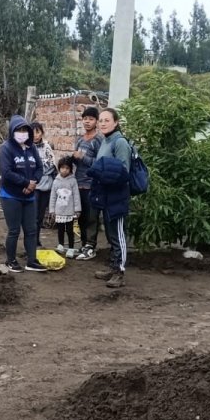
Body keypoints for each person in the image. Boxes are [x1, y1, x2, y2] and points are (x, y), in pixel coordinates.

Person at [87, 107, 132, 288]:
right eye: (101, 120)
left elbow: (123, 171)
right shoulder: (105, 141)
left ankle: (119, 272)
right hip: (105, 195)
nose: (103, 123)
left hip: (117, 196)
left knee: (118, 234)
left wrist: (103, 174)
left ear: (116, 122)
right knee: (111, 234)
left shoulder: (120, 142)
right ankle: (112, 268)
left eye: (107, 120)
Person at [0, 115, 48, 273]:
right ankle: (10, 261)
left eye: (25, 129)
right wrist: (26, 183)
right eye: (19, 130)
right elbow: (6, 172)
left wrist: (33, 183)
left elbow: (39, 167)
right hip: (11, 195)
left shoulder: (31, 147)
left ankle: (31, 261)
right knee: (14, 230)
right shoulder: (5, 149)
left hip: (29, 195)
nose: (22, 132)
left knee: (31, 230)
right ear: (12, 131)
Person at [72, 106, 104, 260]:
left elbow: (100, 163)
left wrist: (82, 157)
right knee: (81, 216)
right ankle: (84, 245)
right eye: (85, 119)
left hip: (92, 185)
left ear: (96, 122)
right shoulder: (79, 139)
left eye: (91, 119)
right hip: (79, 184)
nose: (87, 122)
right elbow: (77, 162)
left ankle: (91, 247)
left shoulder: (98, 140)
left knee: (92, 217)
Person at [31, 121, 56, 248]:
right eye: (33, 132)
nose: (35, 135)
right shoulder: (27, 147)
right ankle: (32, 241)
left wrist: (40, 168)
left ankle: (37, 240)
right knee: (33, 216)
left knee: (40, 216)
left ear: (42, 133)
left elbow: (52, 164)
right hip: (34, 186)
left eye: (38, 132)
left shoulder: (47, 146)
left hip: (46, 186)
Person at [50, 156, 81, 257]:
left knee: (69, 230)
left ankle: (71, 248)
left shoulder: (73, 181)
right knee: (60, 229)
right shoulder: (56, 181)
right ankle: (61, 245)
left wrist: (77, 210)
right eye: (62, 168)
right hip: (59, 211)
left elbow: (76, 196)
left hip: (69, 211)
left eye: (67, 168)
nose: (64, 170)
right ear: (59, 168)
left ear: (70, 169)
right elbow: (53, 196)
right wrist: (52, 210)